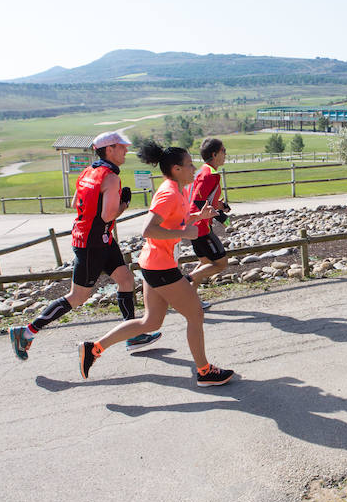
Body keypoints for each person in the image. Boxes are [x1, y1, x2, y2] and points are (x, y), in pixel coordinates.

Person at [79, 140, 234, 387]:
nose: (194, 169)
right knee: (195, 315)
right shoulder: (169, 192)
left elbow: (174, 220)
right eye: (189, 165)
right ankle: (204, 371)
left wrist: (197, 217)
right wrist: (185, 233)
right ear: (176, 169)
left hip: (154, 264)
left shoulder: (178, 190)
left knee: (150, 322)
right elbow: (148, 229)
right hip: (161, 267)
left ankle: (94, 348)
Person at [8, 131, 160, 360]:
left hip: (98, 240)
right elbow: (109, 215)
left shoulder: (88, 173)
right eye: (122, 146)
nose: (126, 150)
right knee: (78, 296)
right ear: (109, 149)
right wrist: (124, 204)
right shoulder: (110, 178)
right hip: (92, 244)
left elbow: (74, 203)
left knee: (126, 279)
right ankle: (27, 332)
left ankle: (133, 334)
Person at [187, 138, 231, 308]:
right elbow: (197, 202)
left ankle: (189, 298)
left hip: (196, 226)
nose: (225, 154)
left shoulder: (203, 171)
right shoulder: (209, 175)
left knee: (205, 263)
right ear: (214, 154)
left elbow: (203, 199)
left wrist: (220, 206)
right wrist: (219, 216)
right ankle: (183, 283)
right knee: (220, 263)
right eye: (223, 151)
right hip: (200, 227)